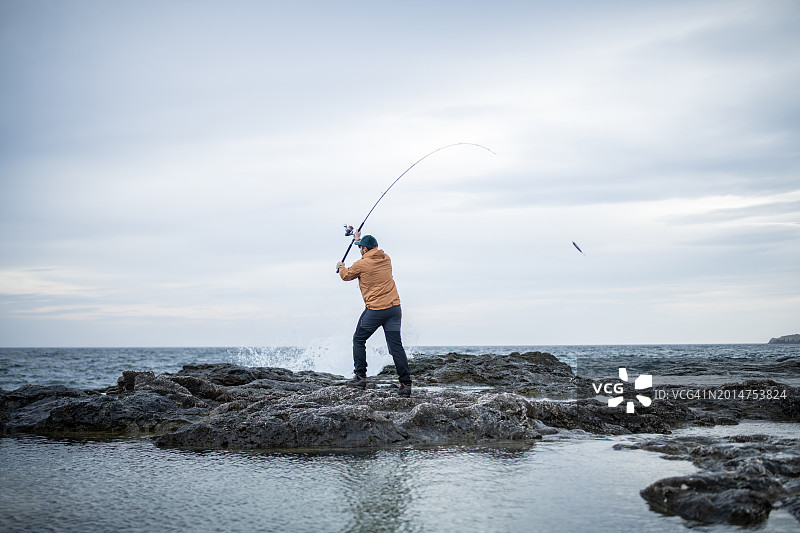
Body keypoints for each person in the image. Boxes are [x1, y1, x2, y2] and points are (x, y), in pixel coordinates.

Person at [336, 230, 412, 397]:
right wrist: (358, 240)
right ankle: (406, 384)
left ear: (364, 249)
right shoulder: (386, 259)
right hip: (394, 309)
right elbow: (369, 256)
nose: (360, 250)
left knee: (358, 340)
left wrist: (340, 267)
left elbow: (346, 275)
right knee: (396, 347)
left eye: (361, 247)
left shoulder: (361, 264)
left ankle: (360, 377)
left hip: (375, 311)